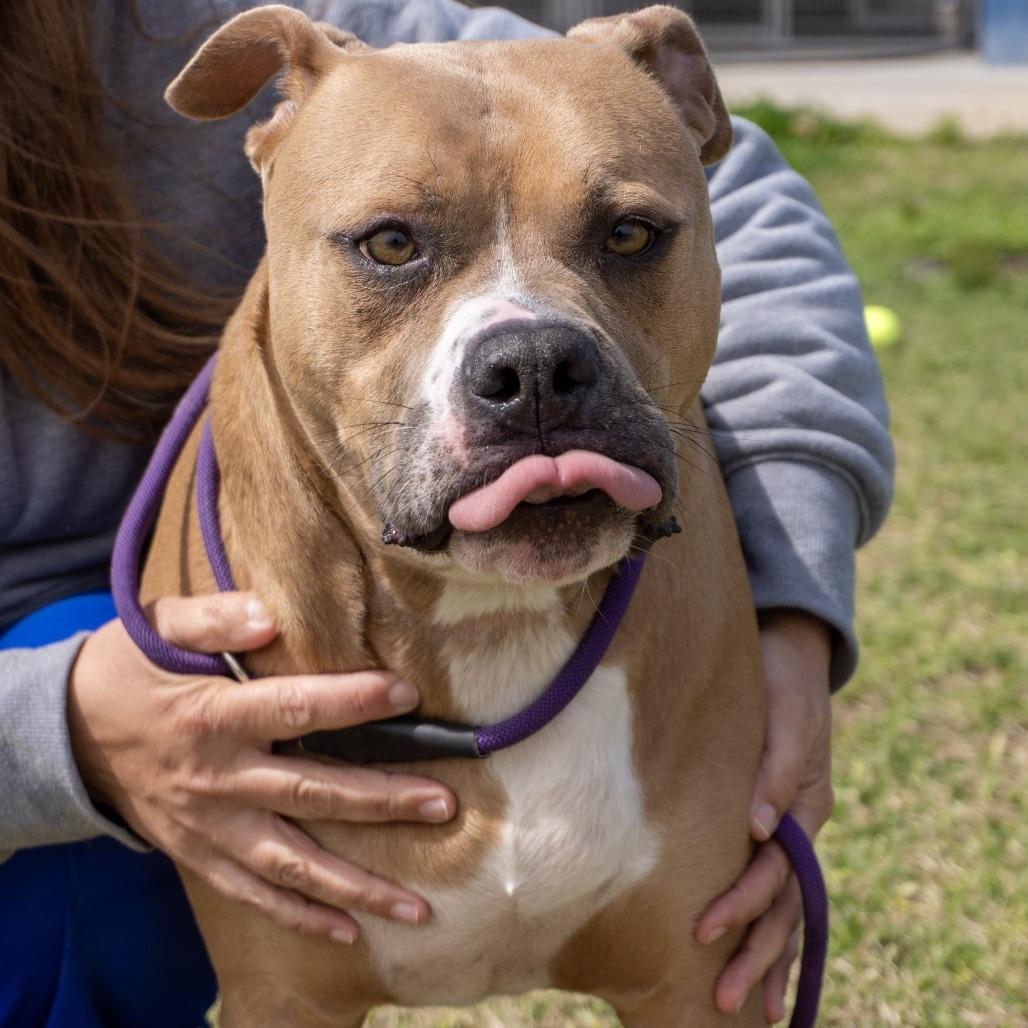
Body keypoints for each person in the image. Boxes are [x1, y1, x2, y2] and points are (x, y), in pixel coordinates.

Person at [0, 0, 893, 1025]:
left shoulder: (218, 23)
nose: (531, 358)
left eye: (628, 236)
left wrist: (793, 600)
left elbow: (749, 204)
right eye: (391, 244)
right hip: (128, 661)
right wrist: (49, 734)